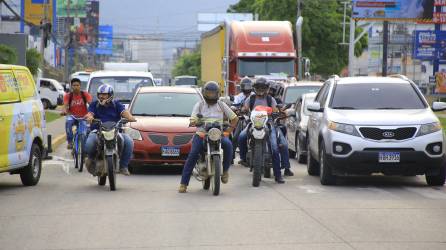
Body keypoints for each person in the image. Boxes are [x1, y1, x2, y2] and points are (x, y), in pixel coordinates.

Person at [179, 81, 239, 193]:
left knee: (229, 146)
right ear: (204, 93)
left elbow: (235, 119)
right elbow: (193, 119)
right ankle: (183, 183)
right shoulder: (199, 105)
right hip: (202, 133)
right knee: (193, 153)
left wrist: (228, 131)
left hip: (218, 134)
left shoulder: (221, 105)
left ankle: (225, 171)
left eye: (213, 93)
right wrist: (194, 121)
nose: (211, 95)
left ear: (217, 94)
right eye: (209, 93)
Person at [238, 77, 290, 184]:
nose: (261, 89)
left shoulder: (271, 99)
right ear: (255, 88)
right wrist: (241, 110)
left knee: (275, 148)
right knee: (241, 136)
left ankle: (278, 175)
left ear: (267, 88)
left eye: (263, 87)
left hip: (269, 124)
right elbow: (245, 108)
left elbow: (275, 109)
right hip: (253, 123)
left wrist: (277, 112)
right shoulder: (251, 99)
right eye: (258, 87)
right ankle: (243, 159)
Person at [84, 84, 136, 176]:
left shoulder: (117, 104)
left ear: (110, 95)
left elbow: (124, 112)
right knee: (89, 144)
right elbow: (90, 114)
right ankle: (91, 160)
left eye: (104, 94)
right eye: (100, 94)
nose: (101, 96)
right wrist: (89, 117)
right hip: (97, 131)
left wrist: (130, 117)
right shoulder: (94, 104)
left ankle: (123, 166)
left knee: (128, 141)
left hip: (114, 131)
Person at [61, 78, 93, 149]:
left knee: (84, 133)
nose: (76, 87)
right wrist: (64, 111)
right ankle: (70, 142)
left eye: (77, 85)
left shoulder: (85, 94)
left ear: (80, 86)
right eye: (74, 85)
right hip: (72, 116)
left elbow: (91, 103)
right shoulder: (68, 95)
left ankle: (84, 148)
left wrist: (93, 112)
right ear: (71, 86)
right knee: (68, 122)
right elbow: (65, 105)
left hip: (83, 117)